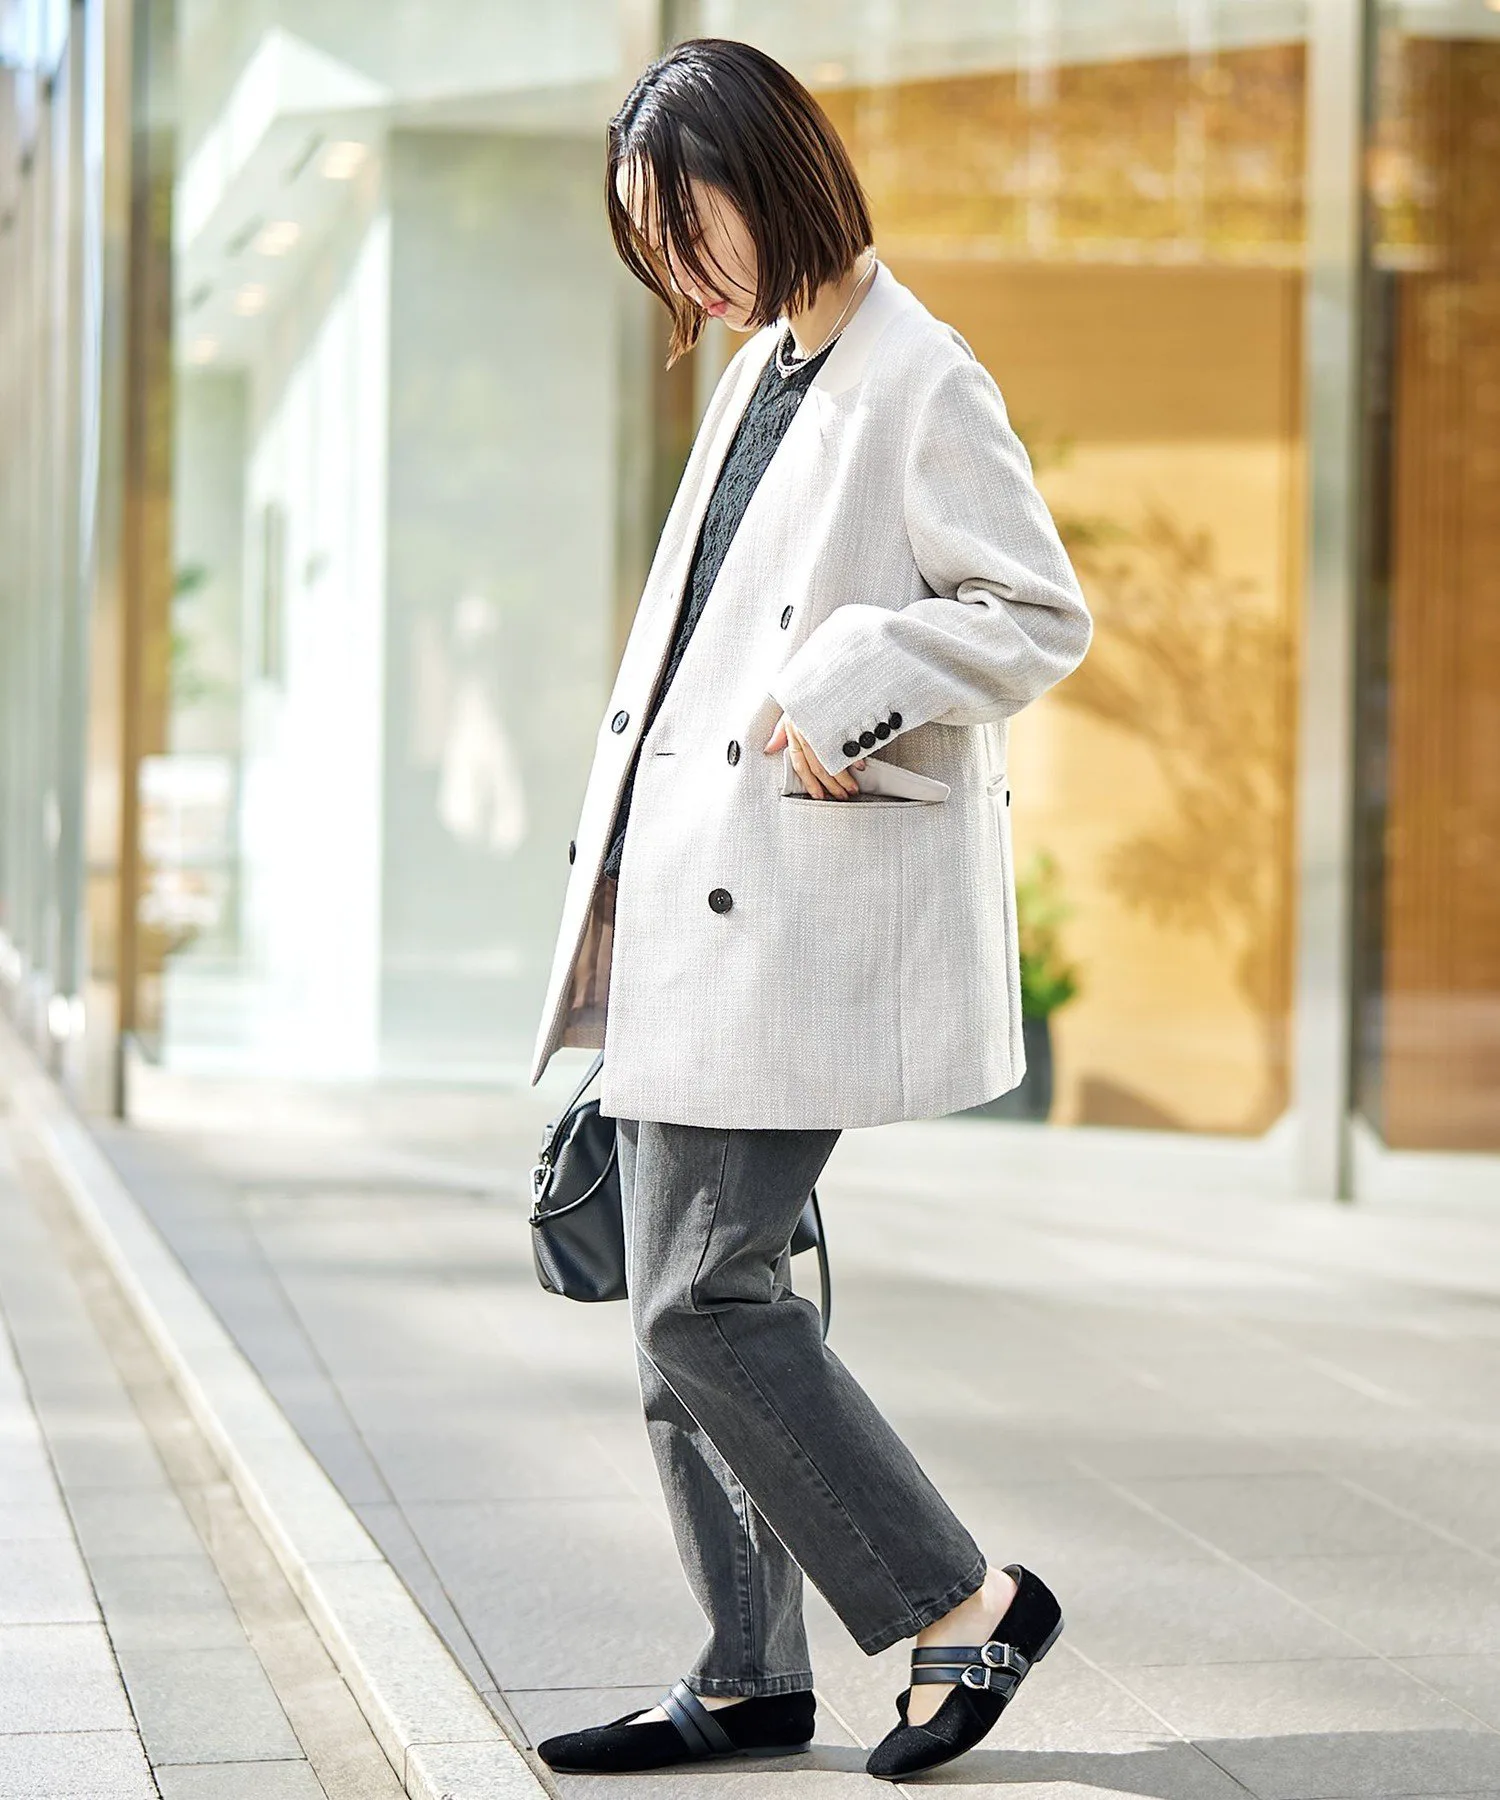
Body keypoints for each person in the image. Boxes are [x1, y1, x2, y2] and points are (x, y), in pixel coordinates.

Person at [529, 37, 1091, 1782]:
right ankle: (750, 1673)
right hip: (688, 912)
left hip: (786, 921)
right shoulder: (763, 370)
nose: (680, 272)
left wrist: (850, 692)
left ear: (768, 175)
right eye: (653, 248)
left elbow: (1035, 611)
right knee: (673, 1320)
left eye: (685, 226)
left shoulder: (921, 376)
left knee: (706, 1300)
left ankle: (966, 1602)